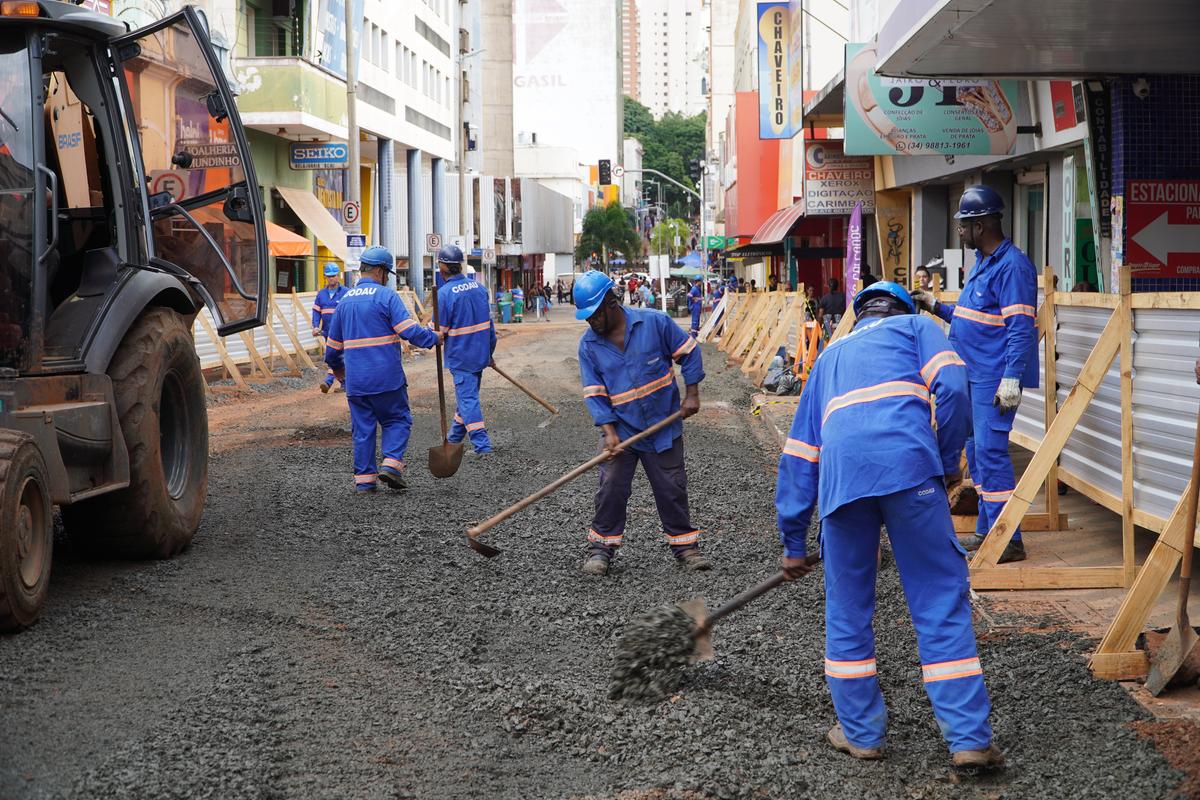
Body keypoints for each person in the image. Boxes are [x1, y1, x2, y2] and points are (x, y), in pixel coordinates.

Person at [775, 280, 1002, 768]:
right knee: (939, 600)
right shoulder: (917, 327)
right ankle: (968, 740)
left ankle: (862, 735)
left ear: (860, 316)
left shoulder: (829, 359)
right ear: (899, 308)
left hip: (843, 486)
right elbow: (954, 386)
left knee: (847, 610)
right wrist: (946, 462)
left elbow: (799, 454)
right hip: (911, 473)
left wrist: (793, 542)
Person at [912, 185, 1037, 563]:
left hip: (993, 379)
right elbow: (973, 319)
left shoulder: (1013, 267)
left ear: (980, 226)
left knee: (990, 452)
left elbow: (1020, 328)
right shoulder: (984, 263)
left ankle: (1008, 540)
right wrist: (937, 307)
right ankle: (988, 531)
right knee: (977, 455)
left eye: (963, 225)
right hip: (971, 374)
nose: (959, 231)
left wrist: (1012, 378)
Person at [573, 270, 711, 576]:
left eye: (594, 314)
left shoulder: (654, 323)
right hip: (622, 430)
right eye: (586, 317)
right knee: (610, 488)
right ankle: (601, 549)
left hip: (664, 426)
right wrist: (609, 432)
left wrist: (692, 394)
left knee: (671, 487)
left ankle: (685, 547)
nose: (591, 321)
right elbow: (595, 393)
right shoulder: (589, 346)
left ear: (611, 303)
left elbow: (689, 353)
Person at [325, 246, 441, 492]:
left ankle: (365, 481)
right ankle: (391, 464)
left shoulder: (344, 302)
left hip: (357, 383)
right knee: (397, 419)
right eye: (387, 273)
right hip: (386, 378)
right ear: (379, 271)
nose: (387, 278)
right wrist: (433, 337)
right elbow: (409, 331)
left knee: (362, 429)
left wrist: (338, 372)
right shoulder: (386, 297)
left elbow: (332, 351)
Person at [436, 244, 497, 455]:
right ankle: (453, 439)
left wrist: (425, 336)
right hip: (479, 355)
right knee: (466, 399)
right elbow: (490, 327)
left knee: (468, 400)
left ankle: (482, 446)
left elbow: (439, 331)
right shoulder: (479, 288)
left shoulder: (444, 294)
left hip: (461, 358)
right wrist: (489, 353)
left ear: (443, 267)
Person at [311, 262, 348, 393]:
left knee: (336, 356)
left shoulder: (346, 293)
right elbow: (316, 311)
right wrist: (315, 326)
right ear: (325, 277)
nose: (331, 278)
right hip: (327, 332)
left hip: (342, 332)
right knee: (334, 357)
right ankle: (343, 382)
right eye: (329, 276)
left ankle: (329, 380)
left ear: (338, 276)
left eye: (333, 276)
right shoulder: (321, 294)